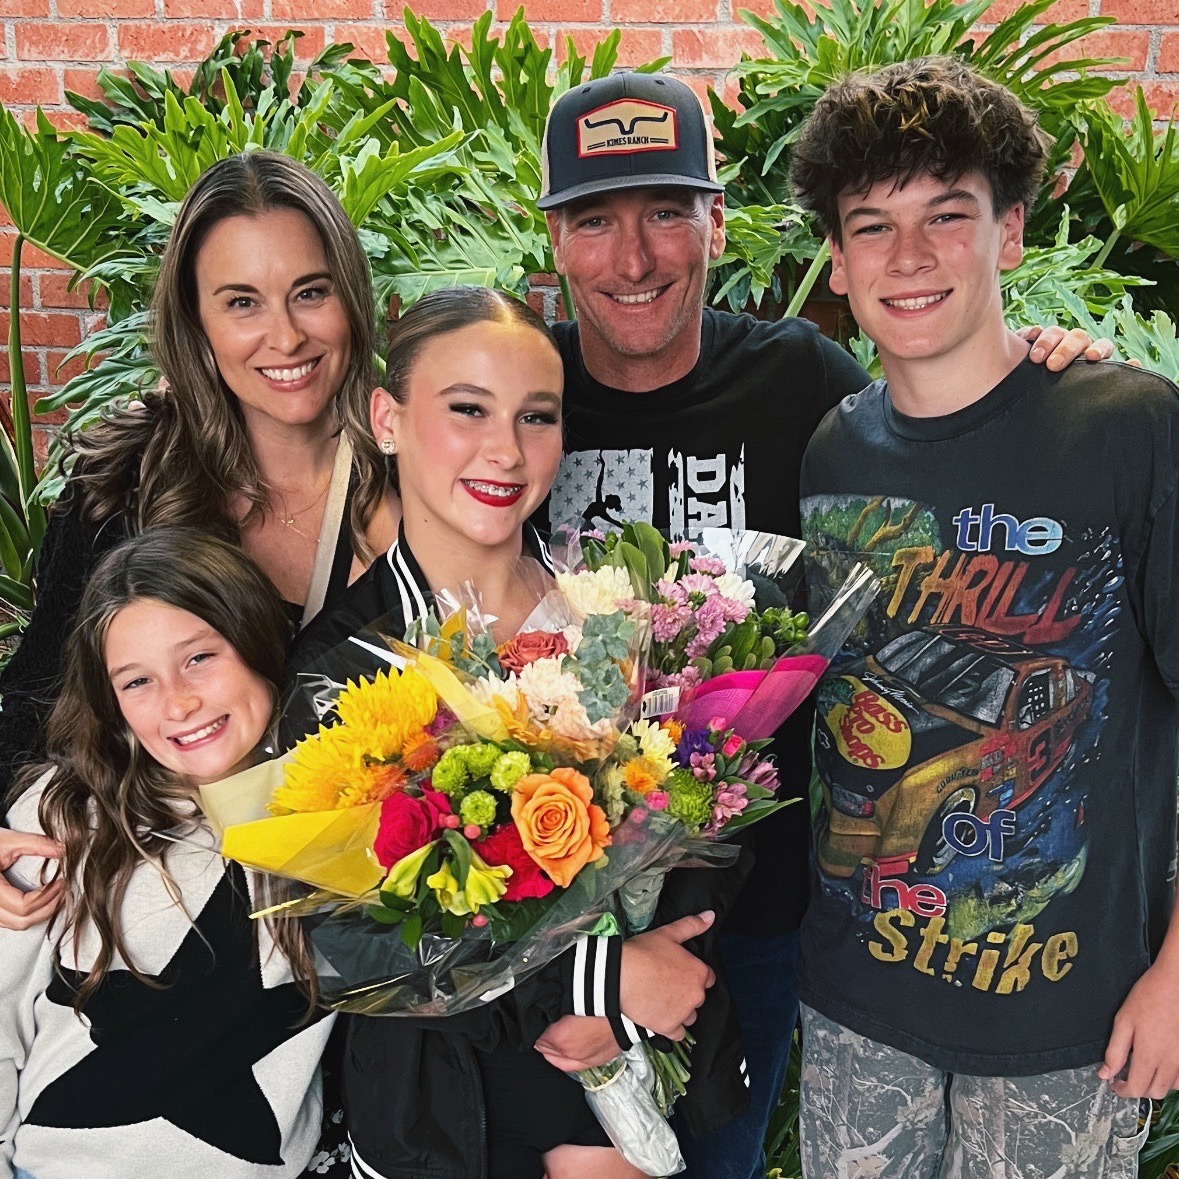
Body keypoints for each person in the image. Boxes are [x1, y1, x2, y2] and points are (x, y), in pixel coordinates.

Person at [530, 69, 1109, 1178]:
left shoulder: (803, 384)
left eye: (665, 213)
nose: (633, 258)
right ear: (554, 238)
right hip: (540, 914)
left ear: (716, 222)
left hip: (753, 916)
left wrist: (1046, 375)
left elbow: (943, 439)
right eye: (593, 221)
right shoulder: (519, 387)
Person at [788, 56, 1179, 1175]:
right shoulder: (835, 450)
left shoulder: (1126, 429)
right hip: (855, 1000)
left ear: (1009, 232)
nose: (908, 257)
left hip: (1063, 1018)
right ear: (838, 259)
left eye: (946, 216)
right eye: (872, 226)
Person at [290, 285, 726, 1179]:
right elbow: (341, 945)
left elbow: (703, 808)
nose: (506, 449)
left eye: (536, 416)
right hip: (444, 1107)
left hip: (619, 1079)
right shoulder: (345, 665)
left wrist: (655, 968)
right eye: (467, 409)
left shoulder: (610, 613)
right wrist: (598, 980)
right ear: (385, 419)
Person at [0, 150, 400, 925]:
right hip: (163, 914)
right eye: (242, 302)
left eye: (310, 292)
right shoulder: (120, 488)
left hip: (370, 925)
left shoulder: (417, 484)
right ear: (197, 323)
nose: (285, 335)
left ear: (350, 297)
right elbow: (37, 694)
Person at [0, 526, 335, 1177]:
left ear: (256, 640)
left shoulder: (346, 812)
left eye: (200, 657)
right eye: (136, 682)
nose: (178, 702)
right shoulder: (63, 813)